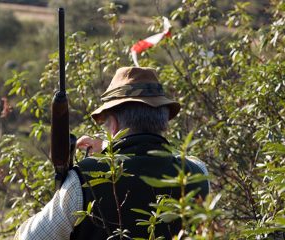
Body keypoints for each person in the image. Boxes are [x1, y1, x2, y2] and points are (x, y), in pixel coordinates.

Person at [15, 67, 209, 240]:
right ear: (164, 122)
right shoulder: (197, 173)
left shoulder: (84, 179)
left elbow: (30, 237)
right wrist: (111, 148)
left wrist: (108, 152)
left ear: (114, 123)